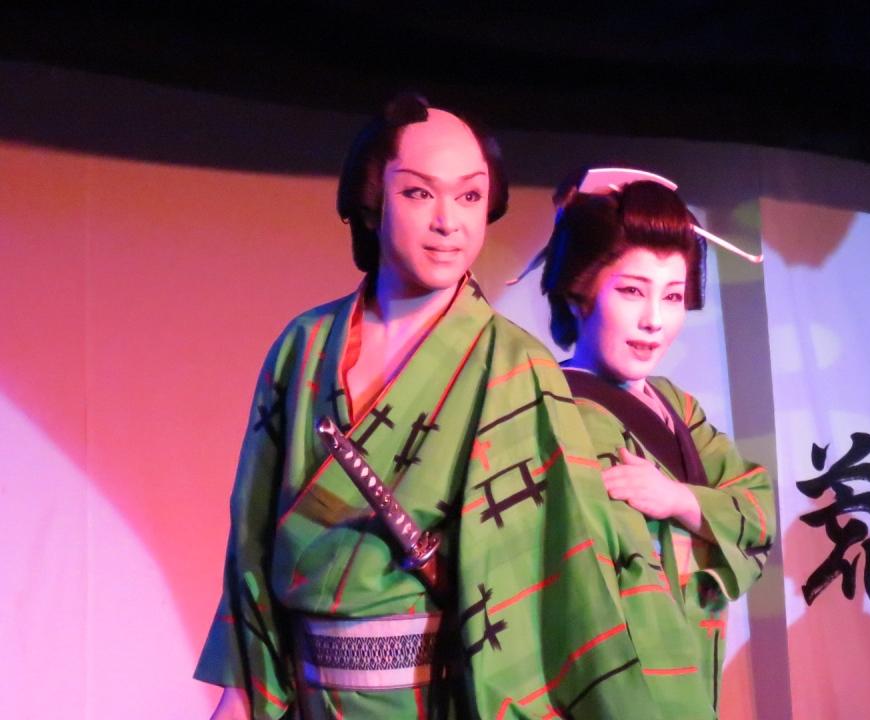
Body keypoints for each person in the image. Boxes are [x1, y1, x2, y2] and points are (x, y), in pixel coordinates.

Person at [196, 94, 658, 719]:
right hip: (305, 696)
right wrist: (239, 691)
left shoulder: (514, 366)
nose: (449, 221)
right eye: (419, 193)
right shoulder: (302, 347)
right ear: (371, 199)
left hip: (440, 698)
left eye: (469, 196)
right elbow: (251, 535)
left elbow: (560, 565)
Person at [534, 170, 777, 717]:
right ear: (578, 292)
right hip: (620, 685)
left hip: (694, 667)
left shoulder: (676, 405)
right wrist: (705, 516)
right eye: (631, 291)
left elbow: (759, 507)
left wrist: (681, 501)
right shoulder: (553, 411)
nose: (654, 321)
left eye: (672, 296)